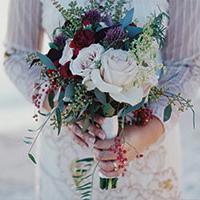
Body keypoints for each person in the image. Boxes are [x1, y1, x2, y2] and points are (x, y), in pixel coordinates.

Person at [4, 0, 200, 199]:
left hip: (146, 146)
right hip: (67, 152)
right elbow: (17, 53)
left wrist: (143, 136)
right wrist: (63, 106)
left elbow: (185, 65)